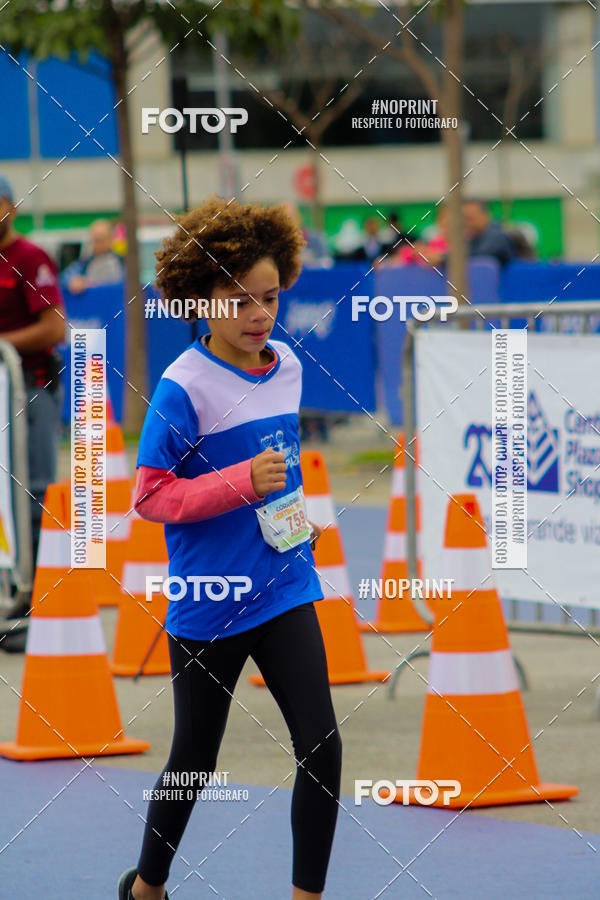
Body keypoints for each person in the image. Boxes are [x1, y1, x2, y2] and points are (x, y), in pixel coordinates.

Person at [117, 195, 342, 900]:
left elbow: (280, 467)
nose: (257, 314)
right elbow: (150, 496)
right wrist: (239, 484)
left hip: (283, 585)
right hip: (210, 600)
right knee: (194, 759)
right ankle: (147, 889)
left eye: (269, 298)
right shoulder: (182, 387)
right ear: (199, 299)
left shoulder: (288, 368)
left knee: (323, 749)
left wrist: (291, 517)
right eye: (239, 299)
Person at [0, 175, 66, 645]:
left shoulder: (29, 259)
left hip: (28, 393)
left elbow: (53, 328)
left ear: (10, 208)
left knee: (34, 498)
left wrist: (1, 347)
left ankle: (35, 605)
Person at [62, 218, 123, 293]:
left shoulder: (122, 263)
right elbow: (64, 277)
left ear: (110, 239)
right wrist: (73, 281)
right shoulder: (84, 263)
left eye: (100, 239)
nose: (97, 243)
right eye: (94, 239)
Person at [462, 199, 516, 266]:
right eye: (463, 219)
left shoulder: (498, 236)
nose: (466, 223)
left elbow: (480, 256)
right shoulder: (470, 238)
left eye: (470, 218)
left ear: (485, 216)